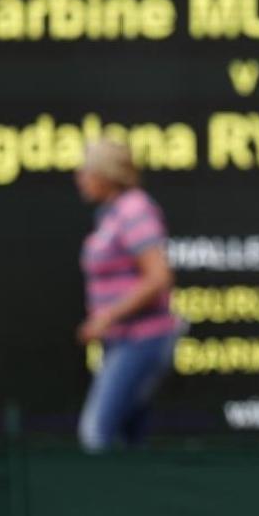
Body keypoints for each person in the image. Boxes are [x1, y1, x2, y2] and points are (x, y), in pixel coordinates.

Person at [74, 139, 179, 453]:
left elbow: (159, 277)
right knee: (129, 440)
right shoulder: (112, 214)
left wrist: (107, 316)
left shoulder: (134, 209)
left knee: (95, 433)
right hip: (121, 341)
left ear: (105, 174)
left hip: (143, 339)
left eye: (86, 170)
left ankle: (98, 500)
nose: (79, 177)